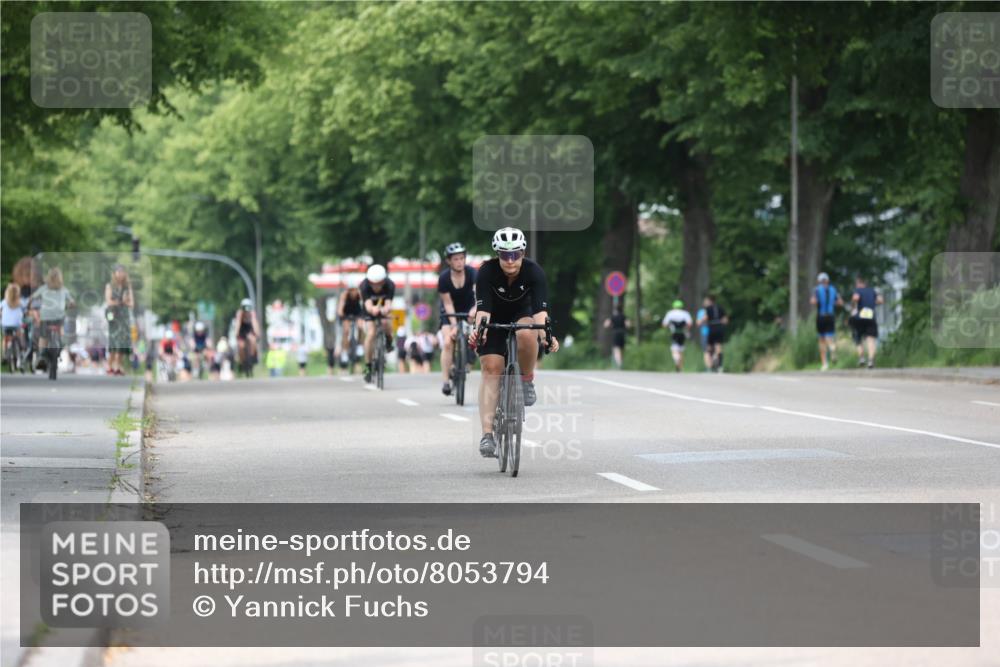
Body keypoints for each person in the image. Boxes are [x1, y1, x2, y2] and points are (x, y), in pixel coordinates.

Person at [468, 227, 559, 458]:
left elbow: (540, 312)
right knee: (491, 369)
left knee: (528, 332)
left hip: (523, 313)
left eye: (515, 254)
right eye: (505, 255)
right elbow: (483, 311)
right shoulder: (486, 272)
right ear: (497, 254)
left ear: (523, 252)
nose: (510, 260)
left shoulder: (534, 272)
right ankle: (487, 435)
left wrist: (548, 337)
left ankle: (526, 379)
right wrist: (480, 331)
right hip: (494, 317)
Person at [438, 242, 478, 395]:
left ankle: (468, 358)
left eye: (462, 258)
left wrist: (475, 310)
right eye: (455, 259)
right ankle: (446, 381)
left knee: (475, 337)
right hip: (450, 312)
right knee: (448, 341)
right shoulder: (443, 278)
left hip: (470, 310)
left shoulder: (473, 273)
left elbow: (478, 295)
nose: (460, 262)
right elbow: (447, 303)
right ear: (449, 261)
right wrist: (454, 325)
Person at [31, 267, 75, 377]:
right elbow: (72, 301)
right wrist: (70, 305)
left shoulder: (44, 288)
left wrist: (31, 305)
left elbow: (33, 297)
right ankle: (59, 347)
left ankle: (41, 355)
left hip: (45, 316)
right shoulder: (64, 289)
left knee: (43, 337)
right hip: (59, 316)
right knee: (60, 332)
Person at [360, 264, 396, 383]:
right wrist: (372, 310)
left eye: (379, 283)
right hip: (370, 309)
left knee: (386, 322)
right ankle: (368, 366)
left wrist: (385, 309)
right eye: (373, 283)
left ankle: (389, 340)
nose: (376, 286)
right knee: (371, 333)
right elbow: (368, 304)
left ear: (384, 281)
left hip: (383, 306)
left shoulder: (390, 285)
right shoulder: (364, 286)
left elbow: (388, 302)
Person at [105, 265, 134, 376]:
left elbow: (131, 304)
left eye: (122, 272)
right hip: (114, 316)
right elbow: (108, 301)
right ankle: (110, 365)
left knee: (122, 343)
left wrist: (124, 302)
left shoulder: (127, 286)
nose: (121, 274)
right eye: (118, 272)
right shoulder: (110, 286)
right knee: (114, 342)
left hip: (124, 317)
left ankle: (118, 366)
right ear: (114, 273)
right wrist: (120, 301)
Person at [810, 272, 843, 371]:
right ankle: (832, 347)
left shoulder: (816, 289)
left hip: (821, 316)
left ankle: (825, 364)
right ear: (827, 280)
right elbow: (840, 302)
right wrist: (833, 303)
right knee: (830, 337)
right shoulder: (834, 290)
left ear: (819, 281)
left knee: (821, 340)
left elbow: (813, 301)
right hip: (831, 316)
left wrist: (818, 301)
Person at [851, 276, 883, 369]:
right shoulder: (872, 290)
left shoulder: (858, 290)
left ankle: (861, 357)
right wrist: (872, 303)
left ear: (858, 283)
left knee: (858, 338)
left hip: (860, 317)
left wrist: (853, 307)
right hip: (871, 316)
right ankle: (870, 360)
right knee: (871, 339)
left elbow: (855, 298)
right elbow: (881, 300)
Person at [337, 274, 364, 374]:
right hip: (347, 313)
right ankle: (344, 351)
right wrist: (341, 314)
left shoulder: (359, 294)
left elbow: (364, 304)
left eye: (354, 289)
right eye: (351, 290)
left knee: (361, 326)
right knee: (346, 330)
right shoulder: (344, 295)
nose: (353, 292)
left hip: (357, 312)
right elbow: (340, 307)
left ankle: (360, 345)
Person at [697, 294, 728, 372]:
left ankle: (711, 364)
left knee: (709, 347)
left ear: (709, 301)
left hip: (711, 328)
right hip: (720, 328)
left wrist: (700, 322)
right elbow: (725, 320)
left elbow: (705, 318)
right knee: (718, 347)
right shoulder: (721, 308)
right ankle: (720, 365)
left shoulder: (707, 309)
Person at [661, 299, 693, 372]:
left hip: (674, 333)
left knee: (674, 349)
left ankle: (676, 359)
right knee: (681, 350)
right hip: (682, 333)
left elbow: (664, 324)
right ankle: (680, 368)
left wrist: (669, 326)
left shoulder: (670, 313)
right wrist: (685, 328)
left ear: (674, 306)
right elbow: (689, 324)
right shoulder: (685, 313)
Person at [2, 283, 25, 365]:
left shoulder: (4, 302)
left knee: (5, 338)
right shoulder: (20, 302)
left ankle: (4, 354)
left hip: (5, 325)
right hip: (16, 325)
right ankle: (22, 351)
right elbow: (25, 310)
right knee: (20, 335)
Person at [234, 298, 260, 370]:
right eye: (245, 307)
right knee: (241, 346)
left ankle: (252, 357)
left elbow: (255, 323)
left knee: (253, 340)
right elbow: (238, 323)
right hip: (242, 330)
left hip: (249, 329)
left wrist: (257, 333)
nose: (246, 309)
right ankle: (242, 361)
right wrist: (236, 333)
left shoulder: (252, 313)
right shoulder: (240, 313)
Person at [602, 305, 630, 369]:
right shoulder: (624, 316)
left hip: (615, 333)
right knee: (622, 349)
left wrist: (611, 325)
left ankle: (619, 364)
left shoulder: (613, 317)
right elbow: (628, 325)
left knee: (616, 350)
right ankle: (621, 362)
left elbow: (606, 325)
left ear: (615, 310)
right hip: (622, 333)